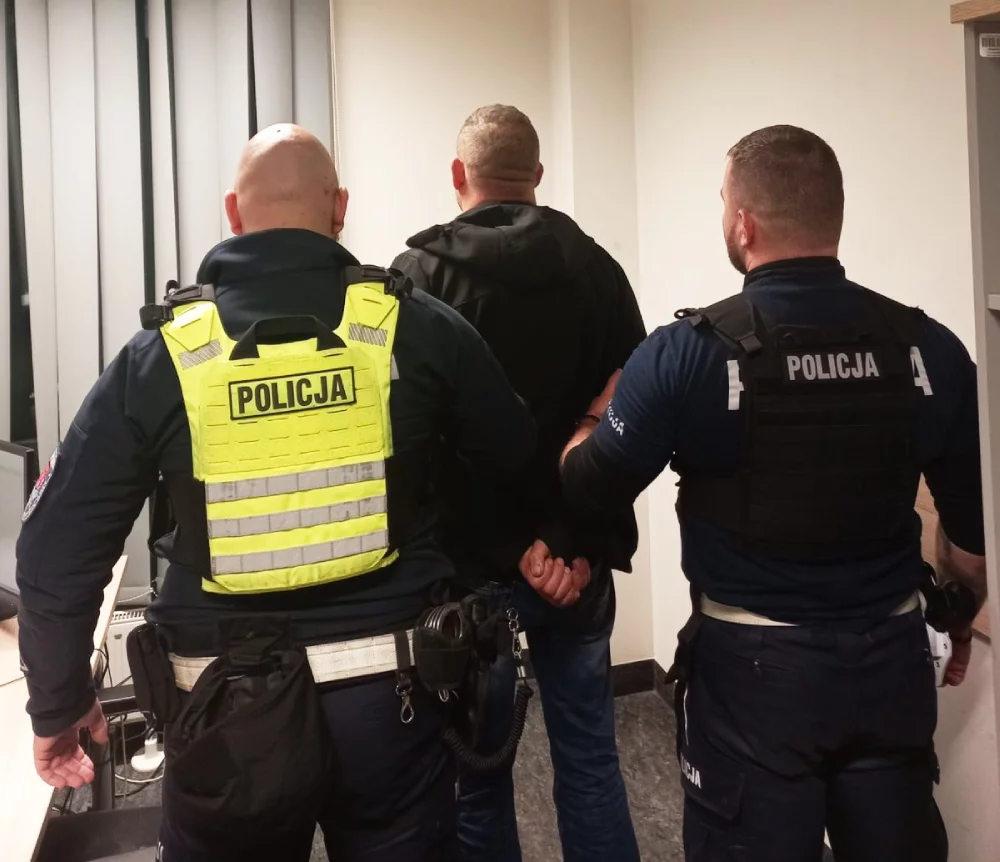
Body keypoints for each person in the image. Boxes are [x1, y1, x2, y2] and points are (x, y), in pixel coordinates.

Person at [16, 123, 537, 862]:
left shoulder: (164, 355)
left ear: (233, 213)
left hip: (224, 711)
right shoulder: (416, 327)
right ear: (341, 208)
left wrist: (59, 700)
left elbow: (57, 548)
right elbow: (512, 457)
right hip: (392, 698)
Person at [559, 125, 986, 862]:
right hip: (890, 660)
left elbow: (590, 489)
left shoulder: (687, 354)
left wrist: (592, 421)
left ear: (744, 223)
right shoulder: (930, 349)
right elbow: (973, 540)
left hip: (752, 677)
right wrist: (956, 614)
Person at [393, 105, 643, 862]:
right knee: (591, 762)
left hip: (470, 573)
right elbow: (632, 417)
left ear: (458, 174)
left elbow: (415, 450)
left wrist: (511, 551)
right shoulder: (597, 269)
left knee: (478, 777)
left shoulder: (417, 279)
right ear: (537, 174)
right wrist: (575, 546)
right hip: (578, 564)